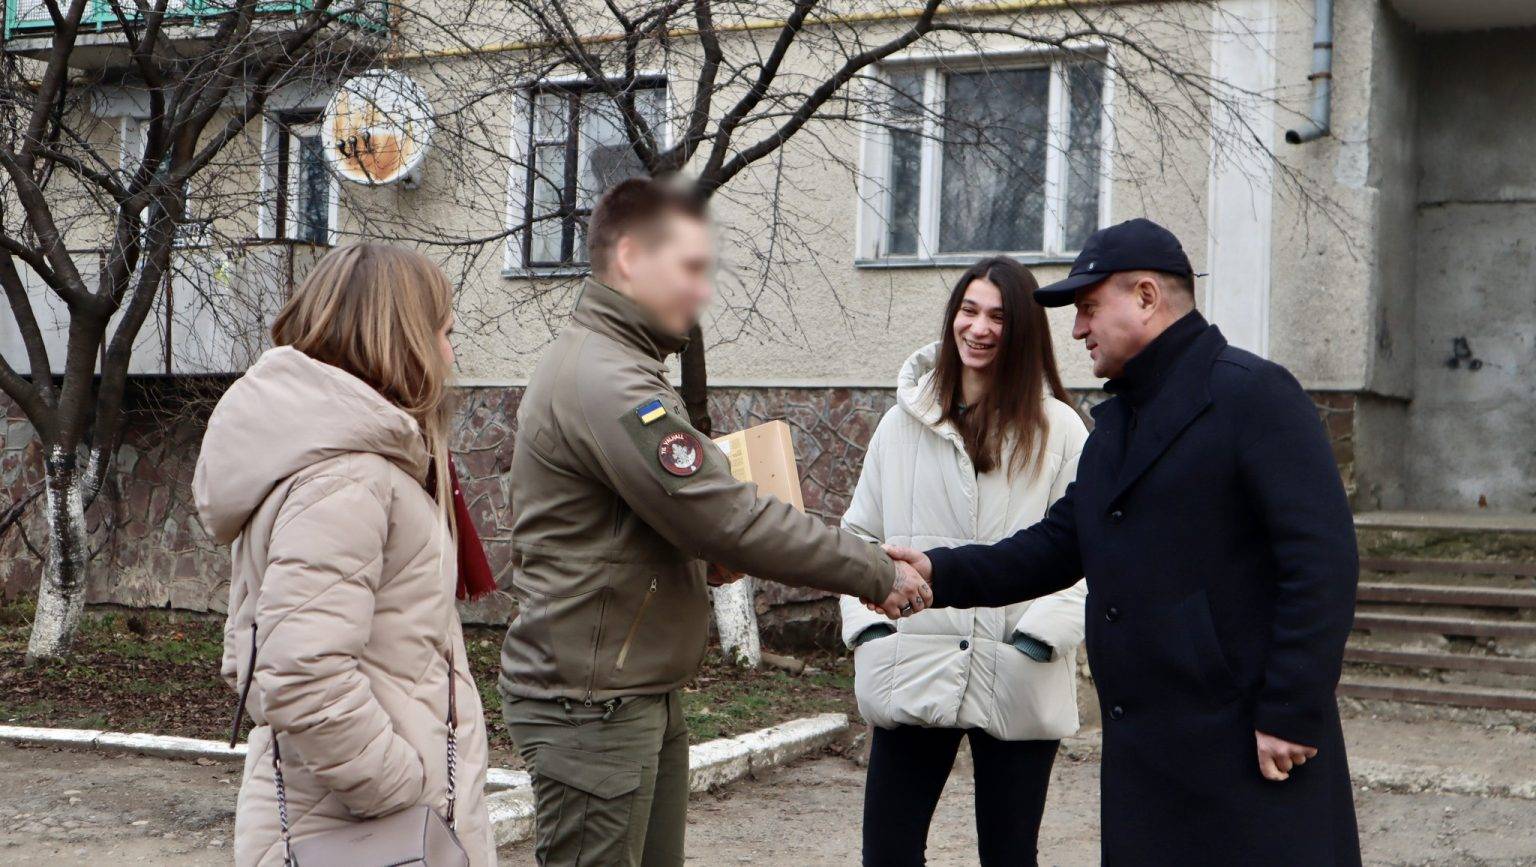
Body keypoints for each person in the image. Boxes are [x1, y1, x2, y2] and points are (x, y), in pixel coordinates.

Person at [888, 219, 1362, 866]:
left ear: (1145, 296)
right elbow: (1060, 543)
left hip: (1245, 739)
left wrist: (1291, 708)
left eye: (1088, 308)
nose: (1077, 330)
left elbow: (1321, 561)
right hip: (1148, 749)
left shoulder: (1252, 395)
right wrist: (938, 571)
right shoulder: (1119, 423)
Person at [499, 176, 929, 867]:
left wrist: (701, 558)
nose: (702, 291)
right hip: (593, 703)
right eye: (691, 268)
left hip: (626, 688)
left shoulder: (621, 363)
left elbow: (638, 526)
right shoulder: (609, 380)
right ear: (631, 258)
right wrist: (874, 571)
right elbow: (726, 518)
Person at [194, 244, 496, 865]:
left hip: (363, 822)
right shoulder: (347, 478)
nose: (450, 355)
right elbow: (301, 672)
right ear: (400, 340)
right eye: (444, 333)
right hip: (362, 828)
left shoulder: (350, 465)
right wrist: (398, 788)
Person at [839, 256, 1088, 867]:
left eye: (998, 317)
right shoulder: (900, 426)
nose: (979, 328)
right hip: (912, 660)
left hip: (1017, 670)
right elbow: (858, 536)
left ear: (1023, 330)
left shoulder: (1061, 431)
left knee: (1010, 854)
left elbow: (1088, 550)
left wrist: (1038, 639)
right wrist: (870, 630)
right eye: (968, 311)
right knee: (887, 854)